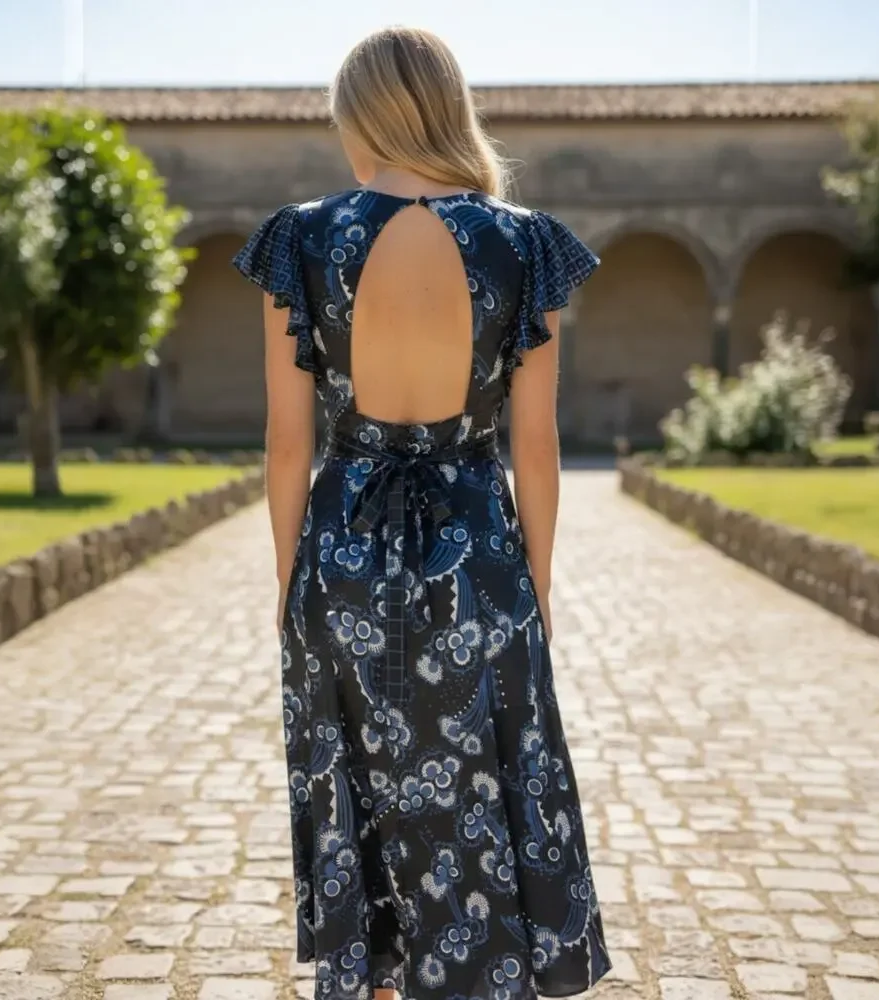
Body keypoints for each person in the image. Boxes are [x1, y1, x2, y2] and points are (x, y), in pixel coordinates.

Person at [233, 25, 611, 1000]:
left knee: (362, 797)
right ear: (448, 108)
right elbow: (535, 444)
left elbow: (286, 444)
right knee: (476, 796)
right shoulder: (522, 245)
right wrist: (538, 585)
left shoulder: (305, 239)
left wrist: (290, 590)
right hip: (477, 558)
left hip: (344, 559)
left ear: (358, 115)